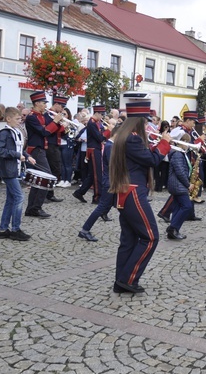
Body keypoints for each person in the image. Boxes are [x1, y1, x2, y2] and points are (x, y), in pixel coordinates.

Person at [110, 101, 171, 294]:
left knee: (129, 239)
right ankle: (128, 279)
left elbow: (143, 158)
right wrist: (164, 144)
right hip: (133, 192)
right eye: (145, 123)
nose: (148, 127)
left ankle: (121, 280)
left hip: (127, 191)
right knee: (151, 237)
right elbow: (152, 160)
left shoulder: (127, 137)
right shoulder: (133, 139)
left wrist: (157, 145)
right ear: (138, 122)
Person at [0, 107, 36, 240]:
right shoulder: (4, 133)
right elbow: (0, 151)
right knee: (19, 198)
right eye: (17, 119)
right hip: (8, 170)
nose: (20, 121)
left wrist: (27, 156)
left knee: (11, 200)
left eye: (20, 119)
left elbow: (19, 148)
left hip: (14, 169)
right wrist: (17, 155)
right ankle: (15, 229)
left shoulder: (16, 132)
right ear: (8, 119)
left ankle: (3, 230)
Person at [25, 91, 64, 218]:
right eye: (43, 103)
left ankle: (32, 208)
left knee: (38, 179)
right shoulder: (31, 117)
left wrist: (59, 123)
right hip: (36, 150)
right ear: (36, 104)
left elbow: (52, 129)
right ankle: (36, 208)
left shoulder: (43, 115)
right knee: (46, 177)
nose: (45, 105)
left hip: (42, 150)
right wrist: (56, 121)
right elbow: (44, 132)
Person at [77, 125, 120, 242]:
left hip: (112, 181)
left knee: (121, 206)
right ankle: (85, 230)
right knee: (101, 207)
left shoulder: (112, 145)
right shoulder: (110, 146)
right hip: (110, 182)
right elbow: (114, 165)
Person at [73, 105, 109, 204]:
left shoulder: (96, 123)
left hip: (95, 149)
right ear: (96, 113)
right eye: (101, 115)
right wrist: (108, 131)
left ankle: (80, 192)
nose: (102, 117)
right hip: (93, 150)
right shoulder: (92, 123)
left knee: (93, 175)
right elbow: (99, 138)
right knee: (97, 174)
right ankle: (97, 197)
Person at [165, 133, 194, 240]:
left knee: (177, 207)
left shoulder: (179, 153)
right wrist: (188, 184)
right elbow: (180, 172)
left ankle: (173, 232)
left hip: (177, 185)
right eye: (187, 142)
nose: (188, 145)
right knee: (187, 206)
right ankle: (173, 227)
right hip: (178, 185)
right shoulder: (178, 154)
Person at [43, 95, 67, 201]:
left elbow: (60, 132)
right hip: (50, 145)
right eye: (61, 107)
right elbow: (49, 129)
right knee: (54, 170)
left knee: (56, 170)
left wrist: (65, 129)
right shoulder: (48, 114)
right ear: (56, 104)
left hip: (56, 144)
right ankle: (48, 194)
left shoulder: (55, 115)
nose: (62, 110)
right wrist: (60, 124)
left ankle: (49, 193)